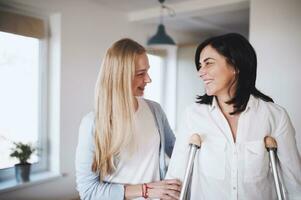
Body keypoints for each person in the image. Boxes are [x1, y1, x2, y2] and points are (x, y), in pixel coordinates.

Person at [166, 33, 301, 199]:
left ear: (236, 66)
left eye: (208, 63)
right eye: (200, 65)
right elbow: (175, 179)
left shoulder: (274, 116)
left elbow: (294, 184)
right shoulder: (193, 115)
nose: (201, 72)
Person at [75, 38, 181, 200]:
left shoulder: (155, 110)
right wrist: (145, 189)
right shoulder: (93, 124)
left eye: (147, 71)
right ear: (119, 77)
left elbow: (177, 153)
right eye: (140, 74)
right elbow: (88, 191)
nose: (148, 79)